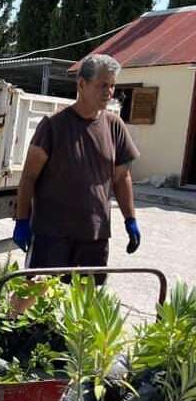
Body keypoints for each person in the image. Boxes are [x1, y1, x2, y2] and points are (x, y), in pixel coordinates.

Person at [12, 54, 141, 275]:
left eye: (112, 86)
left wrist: (130, 219)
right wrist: (22, 220)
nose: (109, 92)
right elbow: (29, 177)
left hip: (94, 235)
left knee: (87, 295)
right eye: (102, 85)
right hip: (52, 235)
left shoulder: (114, 126)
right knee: (40, 290)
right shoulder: (53, 126)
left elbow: (121, 178)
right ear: (82, 84)